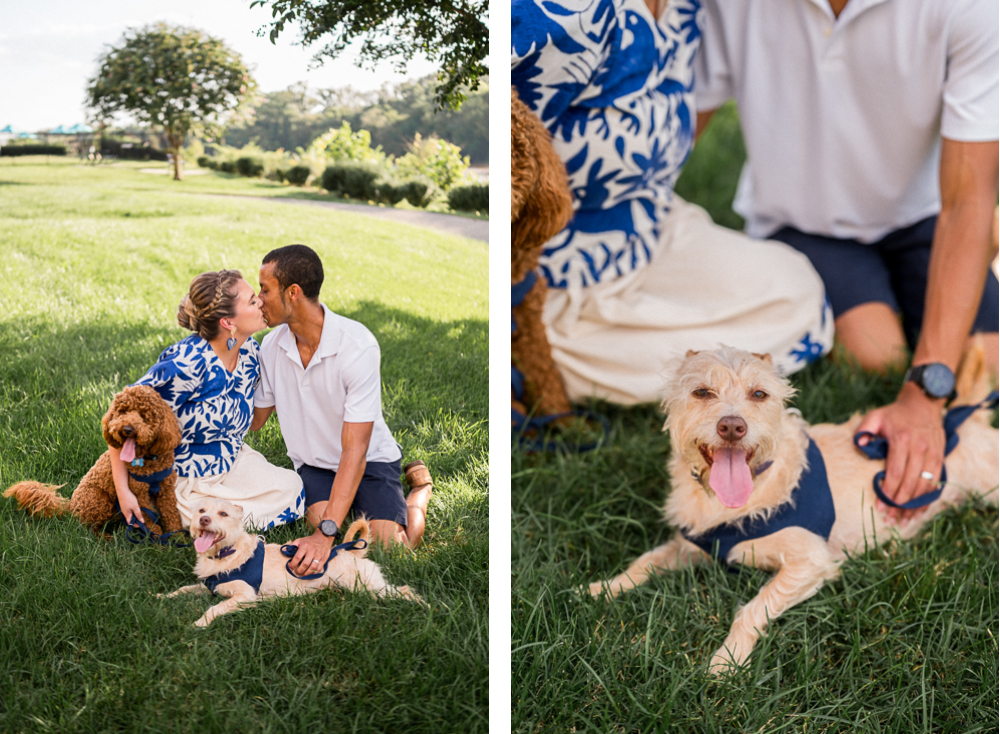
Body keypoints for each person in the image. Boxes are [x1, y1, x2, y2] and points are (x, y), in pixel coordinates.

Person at [694, 0, 999, 523]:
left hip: (924, 214)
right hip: (802, 223)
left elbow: (969, 200)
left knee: (987, 364)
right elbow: (680, 126)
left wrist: (926, 395)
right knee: (877, 356)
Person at [511, 0, 835, 408]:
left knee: (796, 290)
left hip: (651, 229)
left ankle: (612, 354)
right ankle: (530, 356)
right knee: (675, 362)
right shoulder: (557, 11)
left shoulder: (688, 6)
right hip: (550, 272)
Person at [250, 245, 432, 576]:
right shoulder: (271, 346)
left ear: (293, 293)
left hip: (369, 457)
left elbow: (356, 449)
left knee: (388, 547)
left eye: (265, 290)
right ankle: (344, 510)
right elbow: (255, 421)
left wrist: (323, 538)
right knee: (328, 521)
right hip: (316, 464)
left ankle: (421, 489)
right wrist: (226, 354)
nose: (258, 299)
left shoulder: (356, 346)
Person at [111, 270, 305, 532]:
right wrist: (123, 491)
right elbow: (121, 417)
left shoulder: (249, 353)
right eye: (251, 301)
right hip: (183, 478)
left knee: (292, 488)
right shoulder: (186, 363)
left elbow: (256, 417)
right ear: (228, 322)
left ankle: (219, 519)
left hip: (231, 461)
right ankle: (209, 518)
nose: (260, 301)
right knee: (203, 516)